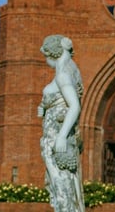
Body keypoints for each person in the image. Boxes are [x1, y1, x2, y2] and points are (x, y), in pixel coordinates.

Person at [38, 34, 85, 212]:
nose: (45, 60)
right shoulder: (66, 72)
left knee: (63, 190)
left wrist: (62, 137)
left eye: (46, 55)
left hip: (57, 139)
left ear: (54, 53)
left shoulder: (63, 76)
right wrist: (46, 108)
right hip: (53, 136)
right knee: (63, 189)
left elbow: (74, 106)